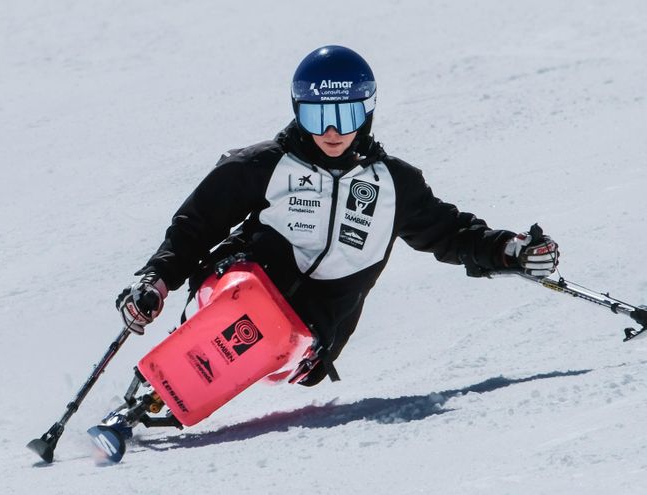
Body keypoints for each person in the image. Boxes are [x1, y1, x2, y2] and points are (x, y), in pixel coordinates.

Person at [115, 45, 560, 387]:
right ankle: (158, 388)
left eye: (345, 116)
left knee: (278, 335)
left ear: (367, 113)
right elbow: (195, 226)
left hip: (309, 336)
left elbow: (451, 233)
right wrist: (156, 280)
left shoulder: (392, 185)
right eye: (317, 116)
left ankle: (175, 386)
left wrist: (511, 251)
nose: (331, 131)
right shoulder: (262, 166)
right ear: (298, 112)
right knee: (250, 305)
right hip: (236, 289)